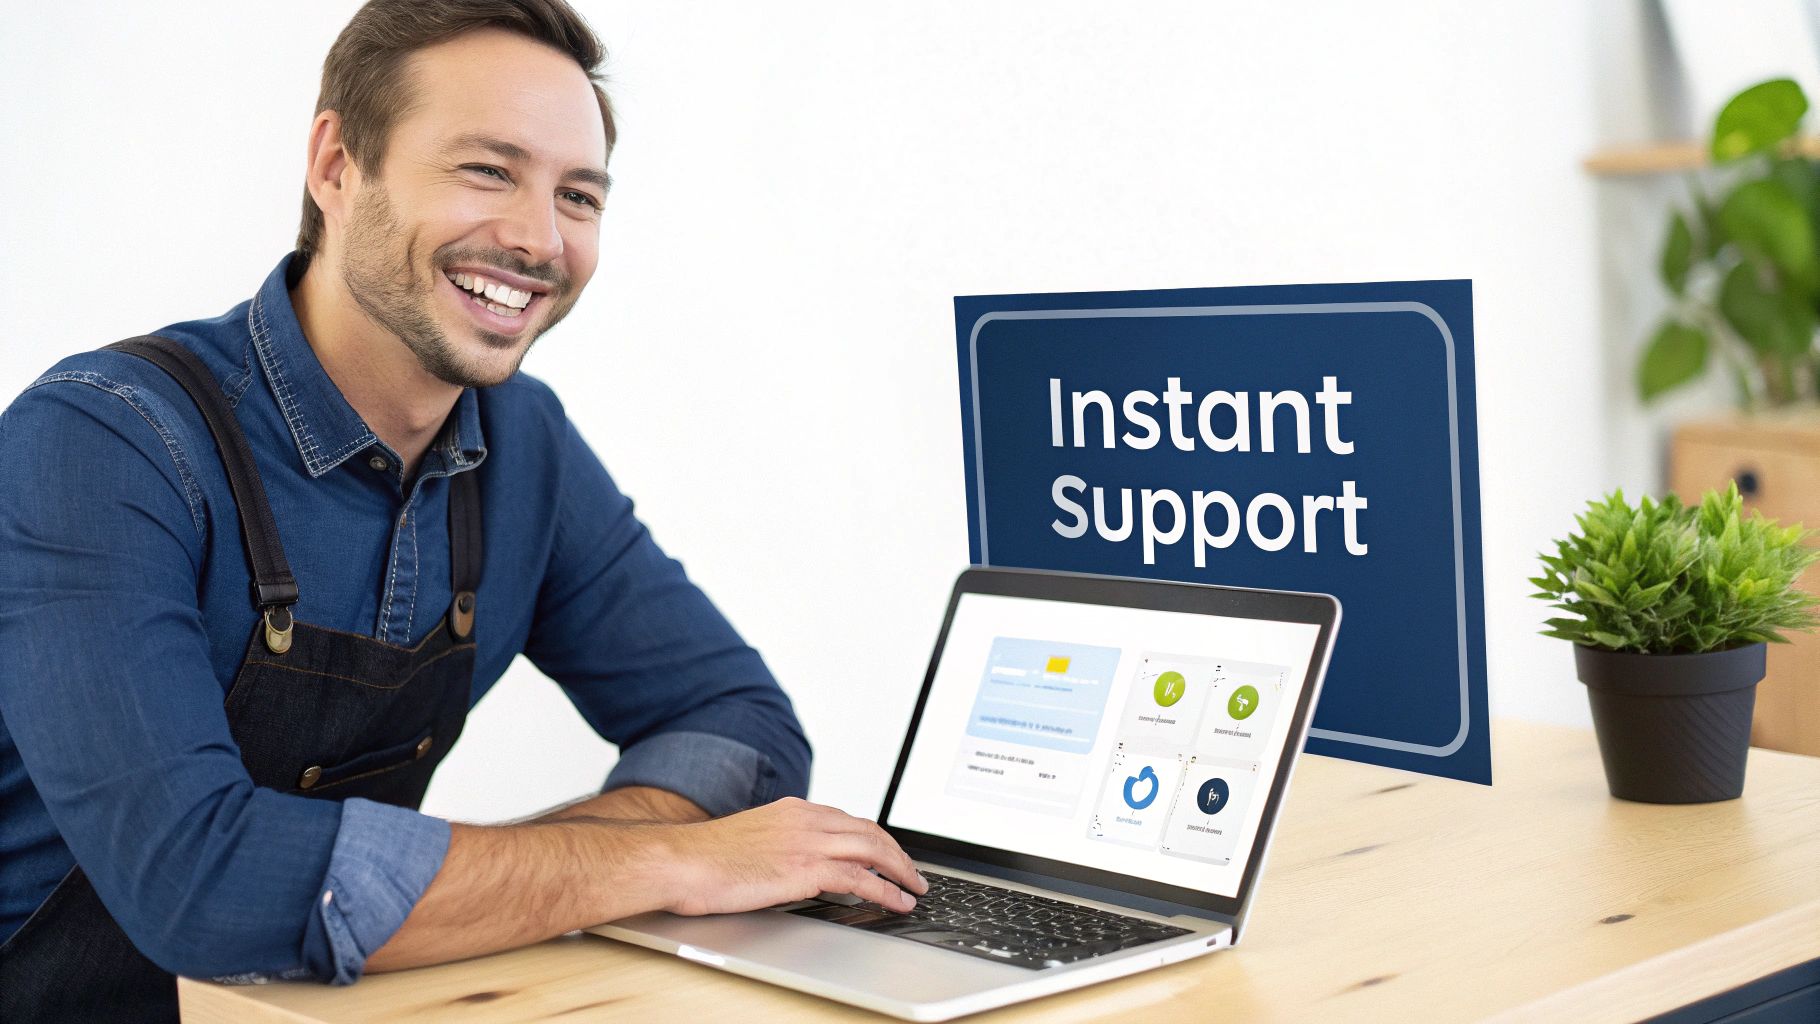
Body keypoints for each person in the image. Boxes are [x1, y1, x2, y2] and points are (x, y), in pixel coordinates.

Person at [0, 1, 925, 1019]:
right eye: (487, 169)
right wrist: (668, 859)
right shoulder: (101, 443)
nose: (538, 239)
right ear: (337, 165)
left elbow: (740, 728)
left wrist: (560, 869)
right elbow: (199, 879)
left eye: (577, 194)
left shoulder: (522, 445)